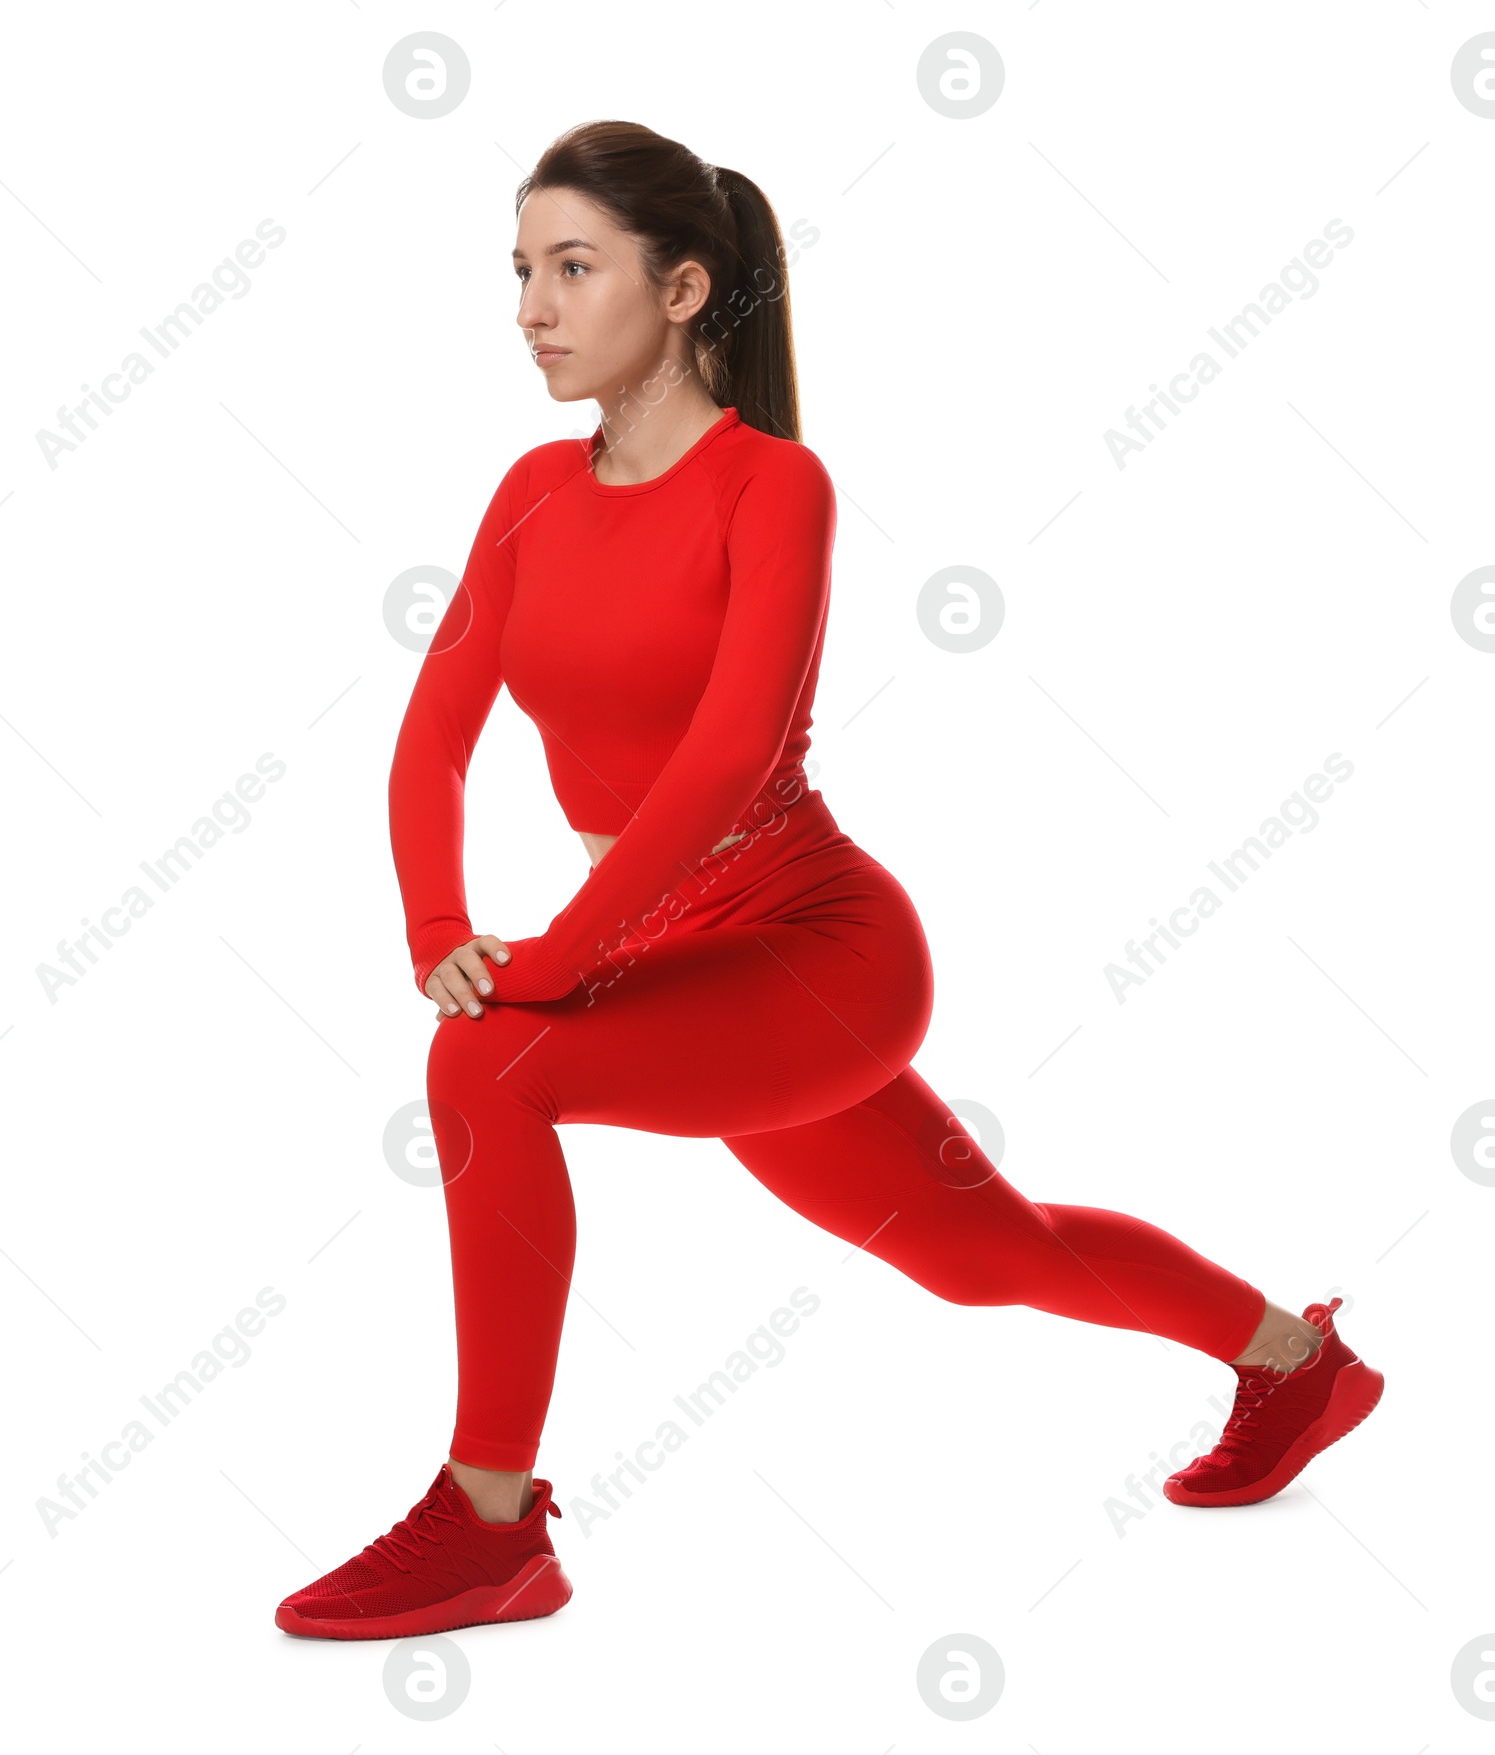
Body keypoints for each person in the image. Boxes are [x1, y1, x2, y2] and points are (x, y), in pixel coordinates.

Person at [274, 121, 1383, 1642]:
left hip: (816, 953)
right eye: (521, 269)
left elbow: (729, 761)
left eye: (572, 268)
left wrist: (558, 961)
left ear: (681, 290)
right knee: (992, 1255)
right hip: (680, 963)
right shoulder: (533, 491)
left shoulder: (773, 489)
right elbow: (430, 745)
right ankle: (1292, 1361)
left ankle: (488, 1523)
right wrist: (441, 926)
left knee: (488, 1061)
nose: (530, 307)